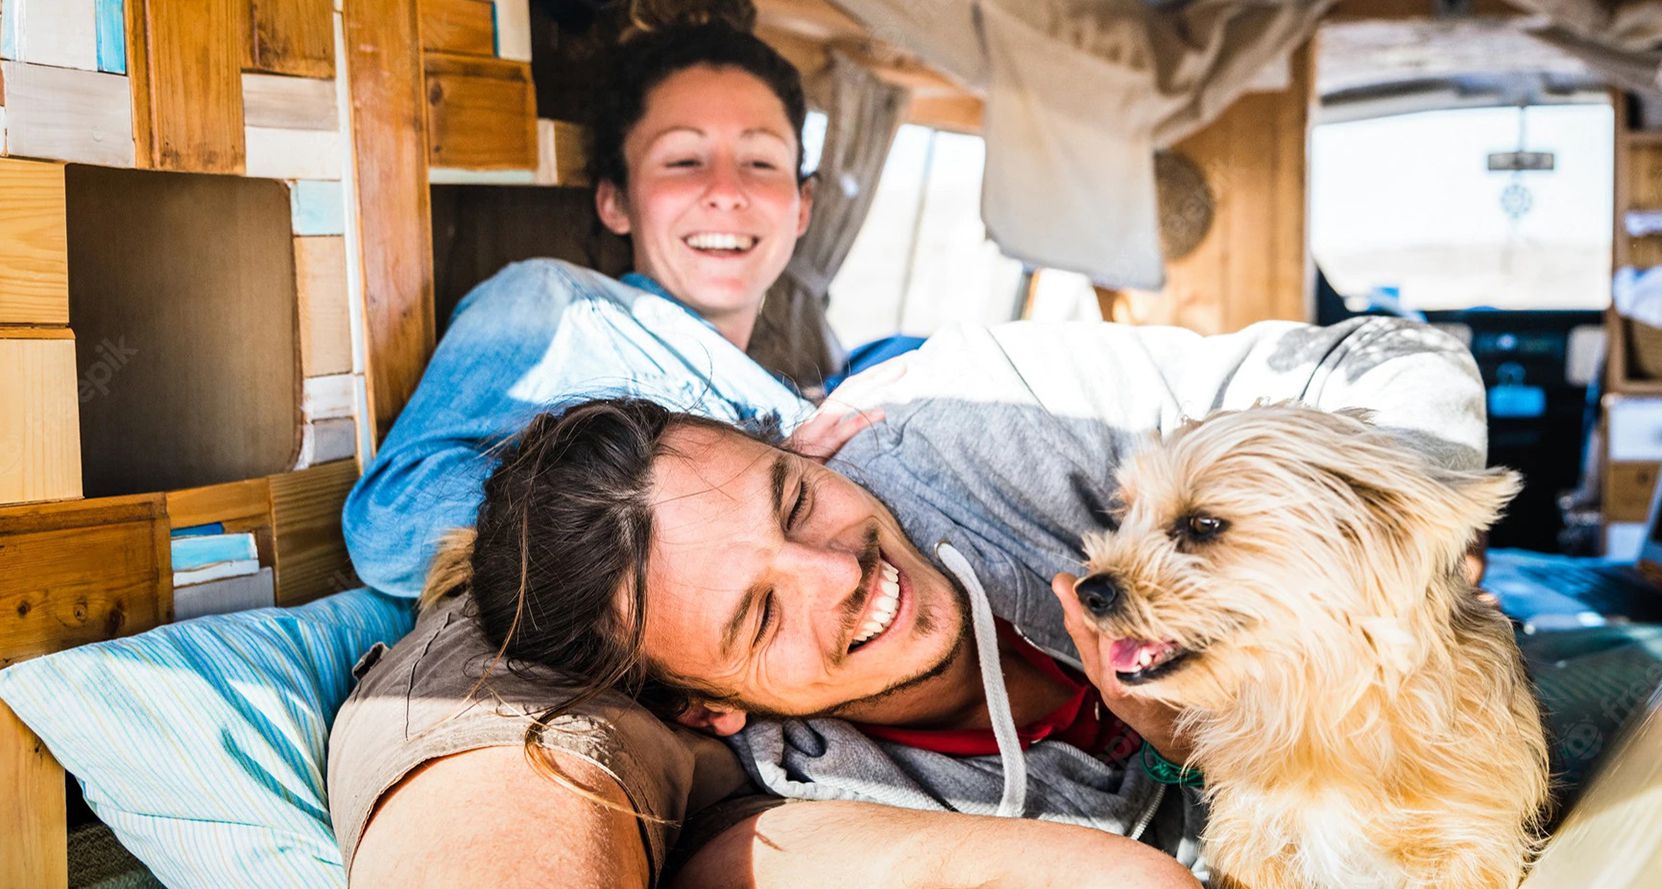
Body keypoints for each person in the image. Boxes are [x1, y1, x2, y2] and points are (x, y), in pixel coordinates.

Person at [329, 315, 1490, 886]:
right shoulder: (822, 791)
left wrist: (1392, 555)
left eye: (795, 501)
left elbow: (1393, 360)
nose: (840, 572)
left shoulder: (969, 431)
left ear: (805, 441)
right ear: (713, 711)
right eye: (758, 616)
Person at [342, 10, 879, 602]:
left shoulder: (800, 395)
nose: (727, 192)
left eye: (760, 163)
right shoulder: (555, 308)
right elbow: (388, 528)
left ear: (801, 207)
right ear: (616, 200)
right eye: (683, 160)